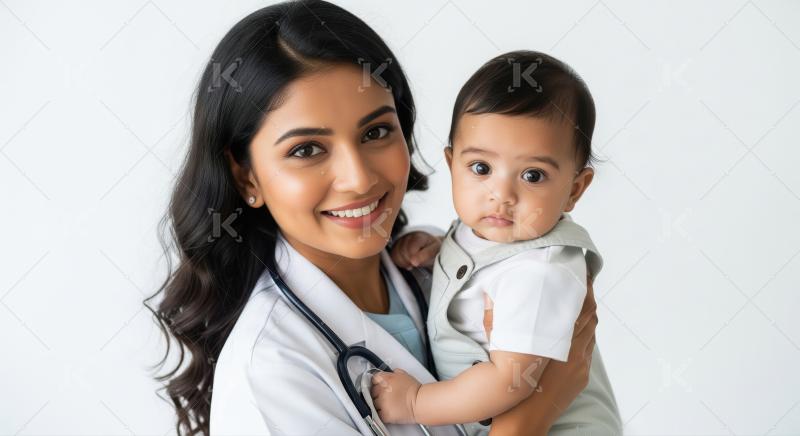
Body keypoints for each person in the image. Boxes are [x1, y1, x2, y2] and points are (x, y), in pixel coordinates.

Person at [146, 1, 617, 435]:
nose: (357, 178)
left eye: (375, 131)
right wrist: (532, 417)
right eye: (307, 149)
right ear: (246, 176)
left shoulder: (463, 262)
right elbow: (545, 389)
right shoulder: (271, 376)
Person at [371, 50, 622, 435]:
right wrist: (439, 248)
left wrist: (414, 402)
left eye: (533, 175)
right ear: (452, 163)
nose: (501, 194)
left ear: (574, 189)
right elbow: (480, 264)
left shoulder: (542, 270)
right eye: (481, 168)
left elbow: (511, 380)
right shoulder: (488, 233)